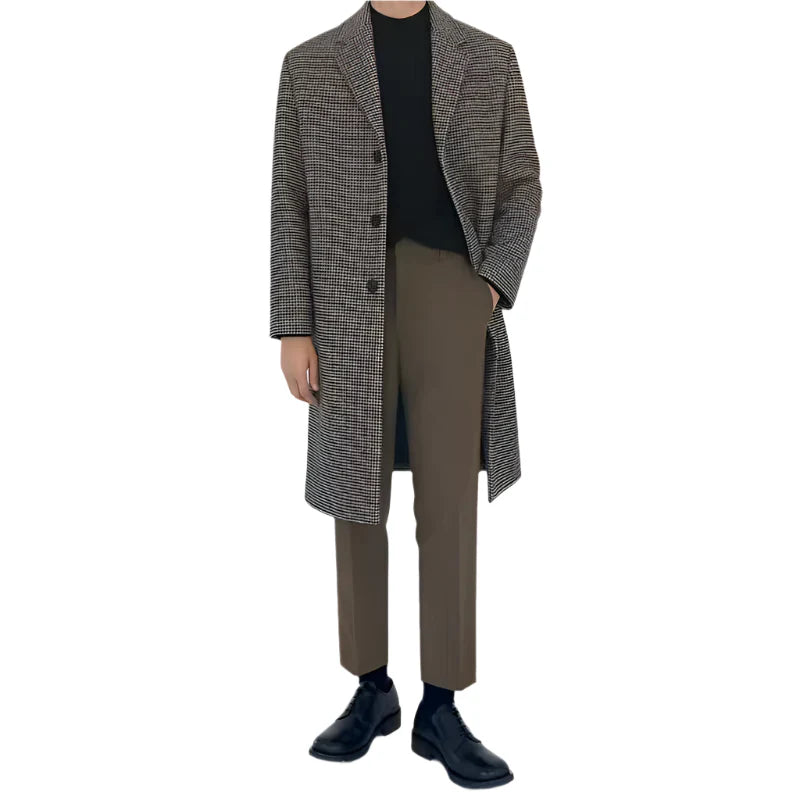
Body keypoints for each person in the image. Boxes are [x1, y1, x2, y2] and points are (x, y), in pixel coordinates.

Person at [270, 0, 542, 788]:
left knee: (448, 501)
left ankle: (441, 706)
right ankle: (371, 689)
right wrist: (294, 326)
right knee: (355, 494)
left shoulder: (489, 59)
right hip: (342, 305)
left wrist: (488, 285)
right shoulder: (309, 65)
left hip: (450, 292)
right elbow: (289, 201)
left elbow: (523, 184)